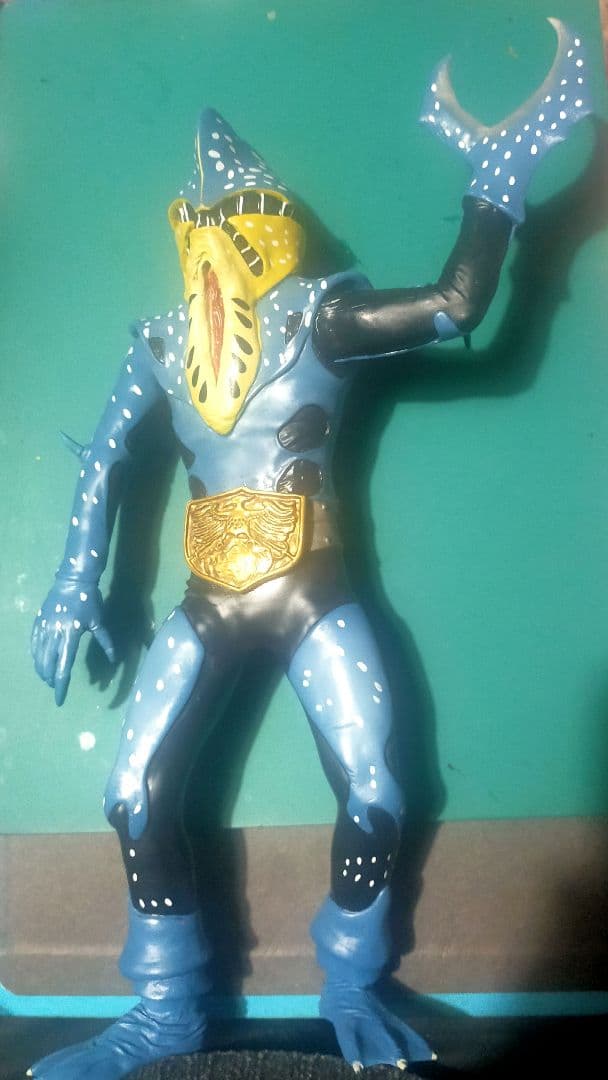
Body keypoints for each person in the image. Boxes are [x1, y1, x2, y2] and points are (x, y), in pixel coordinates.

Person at [30, 20, 590, 1078]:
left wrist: (497, 179)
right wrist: (71, 580)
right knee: (133, 793)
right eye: (211, 219)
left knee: (376, 790)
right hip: (208, 596)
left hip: (312, 589)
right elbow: (104, 458)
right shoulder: (162, 345)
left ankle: (351, 983)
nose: (225, 235)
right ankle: (166, 1011)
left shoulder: (319, 321)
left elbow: (454, 305)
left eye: (241, 216)